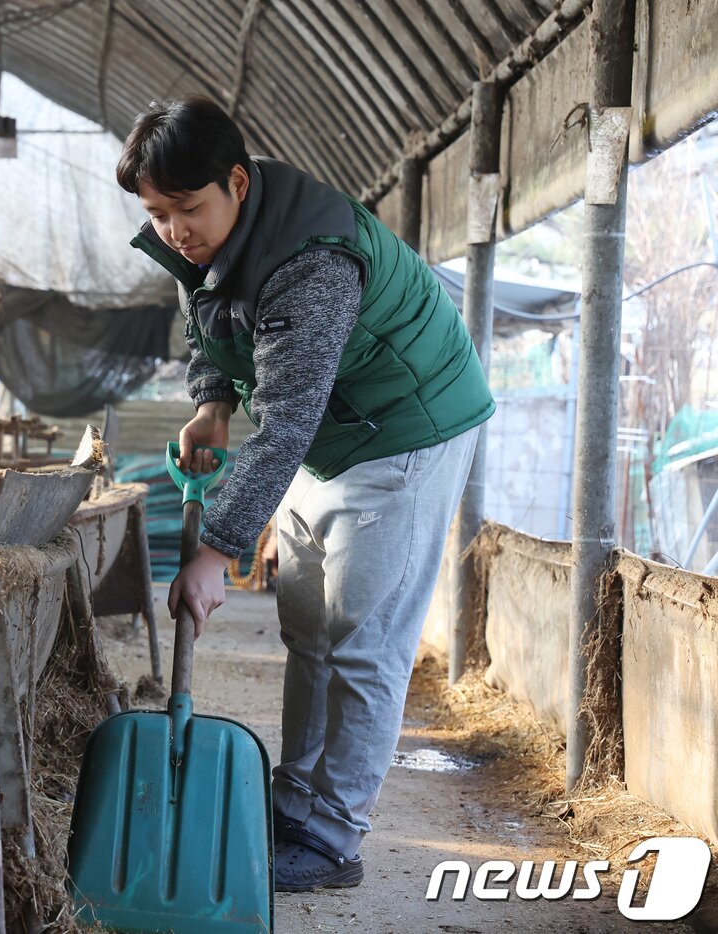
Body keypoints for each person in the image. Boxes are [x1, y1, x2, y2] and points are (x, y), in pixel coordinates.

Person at [117, 96, 494, 893]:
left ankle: (332, 838)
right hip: (331, 431)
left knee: (362, 637)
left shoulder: (310, 261)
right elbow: (214, 321)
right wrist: (213, 399)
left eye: (188, 209)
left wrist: (215, 552)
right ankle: (295, 803)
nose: (174, 230)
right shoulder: (207, 239)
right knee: (307, 627)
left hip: (407, 427)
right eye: (157, 214)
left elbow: (286, 423)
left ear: (238, 183)